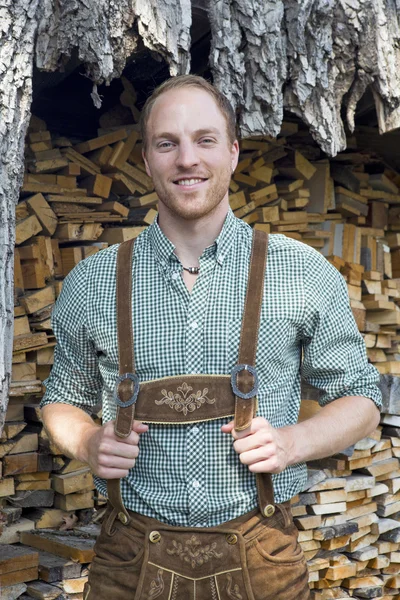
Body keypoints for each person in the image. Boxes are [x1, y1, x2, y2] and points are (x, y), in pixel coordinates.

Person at [40, 75, 382, 600]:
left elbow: (362, 399)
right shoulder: (93, 281)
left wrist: (293, 442)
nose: (186, 160)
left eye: (204, 140)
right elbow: (62, 400)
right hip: (130, 559)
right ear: (148, 160)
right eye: (166, 143)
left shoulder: (302, 271)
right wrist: (87, 441)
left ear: (232, 151)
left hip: (263, 555)